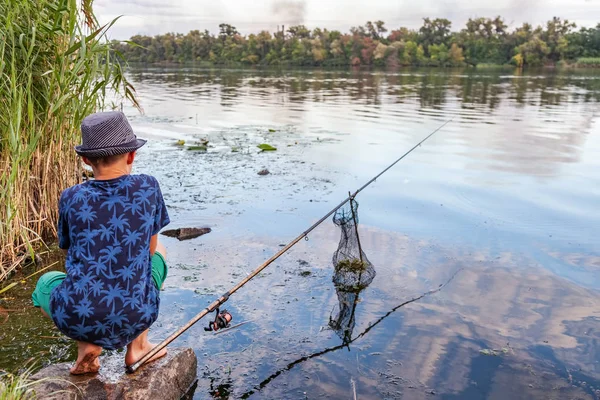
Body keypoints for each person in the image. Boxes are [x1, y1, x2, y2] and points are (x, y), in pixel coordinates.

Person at [31, 111, 170, 374]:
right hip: (136, 314)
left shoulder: (71, 196)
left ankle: (86, 348)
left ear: (85, 160)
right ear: (132, 155)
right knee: (159, 252)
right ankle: (138, 346)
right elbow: (149, 251)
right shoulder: (148, 187)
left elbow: (70, 250)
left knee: (46, 283)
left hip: (78, 316)